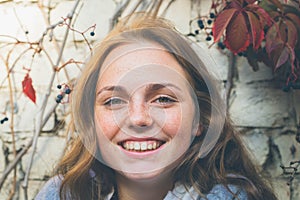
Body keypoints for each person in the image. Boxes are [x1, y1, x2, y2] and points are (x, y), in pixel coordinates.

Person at [35, 14, 277, 200]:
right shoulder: (60, 194)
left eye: (163, 99)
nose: (138, 118)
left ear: (200, 120)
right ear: (91, 124)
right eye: (114, 101)